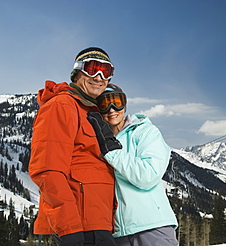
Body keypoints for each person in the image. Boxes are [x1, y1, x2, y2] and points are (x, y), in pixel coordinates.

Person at [29, 47, 121, 246]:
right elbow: (47, 170)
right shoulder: (61, 106)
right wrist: (68, 228)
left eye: (106, 71)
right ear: (77, 72)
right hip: (80, 225)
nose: (99, 77)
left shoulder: (90, 111)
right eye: (92, 68)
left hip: (100, 221)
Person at [87, 84, 179, 246]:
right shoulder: (96, 141)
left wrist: (112, 151)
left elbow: (148, 175)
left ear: (125, 104)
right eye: (104, 104)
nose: (111, 109)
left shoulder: (145, 132)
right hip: (117, 232)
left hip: (152, 226)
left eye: (116, 101)